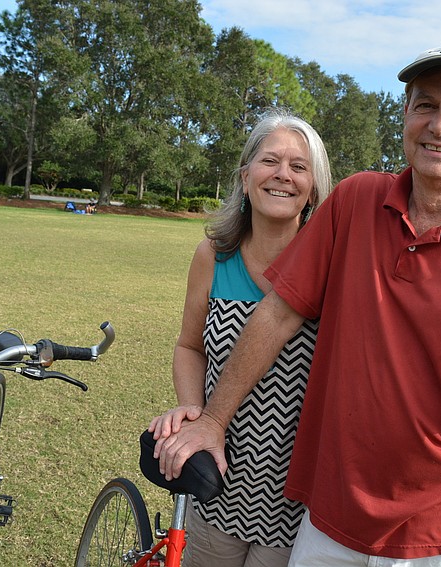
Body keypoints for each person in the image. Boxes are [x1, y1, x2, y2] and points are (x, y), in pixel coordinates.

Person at [153, 38, 441, 567]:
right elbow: (277, 314)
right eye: (426, 105)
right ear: (405, 114)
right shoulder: (356, 201)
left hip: (440, 538)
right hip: (329, 520)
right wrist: (212, 420)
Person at [148, 109, 332, 567]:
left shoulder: (331, 267)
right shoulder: (214, 256)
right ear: (245, 177)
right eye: (270, 161)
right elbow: (189, 346)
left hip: (296, 498)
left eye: (299, 166)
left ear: (314, 188)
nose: (283, 175)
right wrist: (193, 412)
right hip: (219, 480)